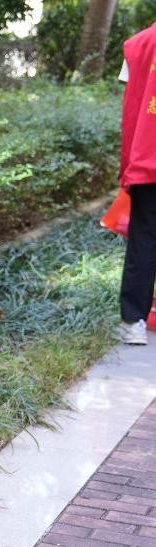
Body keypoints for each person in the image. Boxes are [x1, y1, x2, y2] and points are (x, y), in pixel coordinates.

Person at [117, 24, 156, 346]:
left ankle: (135, 322)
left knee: (144, 237)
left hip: (147, 157)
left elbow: (131, 107)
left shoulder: (138, 45)